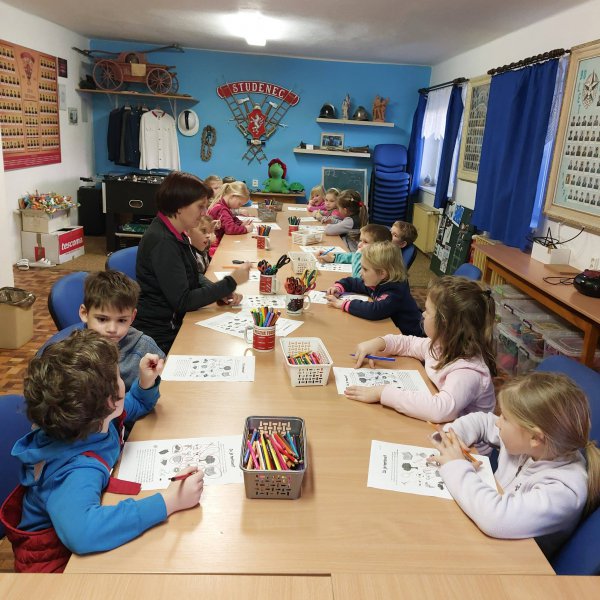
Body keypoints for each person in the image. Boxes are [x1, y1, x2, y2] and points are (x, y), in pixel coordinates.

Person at [0, 329, 205, 573]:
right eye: (119, 376)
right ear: (111, 400)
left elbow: (136, 403)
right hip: (54, 567)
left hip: (79, 523)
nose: (122, 380)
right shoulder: (77, 470)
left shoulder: (92, 419)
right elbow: (84, 533)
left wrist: (145, 382)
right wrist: (170, 501)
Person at [431, 372, 600, 559]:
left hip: (511, 560)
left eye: (504, 418)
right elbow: (483, 422)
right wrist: (454, 436)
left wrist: (456, 465)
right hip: (481, 528)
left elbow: (495, 518)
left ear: (535, 437)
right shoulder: (533, 445)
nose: (498, 422)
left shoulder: (563, 491)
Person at [346, 276, 496, 423]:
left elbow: (439, 410)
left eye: (428, 311)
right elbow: (410, 344)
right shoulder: (441, 344)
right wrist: (380, 343)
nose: (423, 314)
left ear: (444, 323)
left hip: (464, 438)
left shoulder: (467, 372)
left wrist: (383, 392)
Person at [133, 171, 251, 354]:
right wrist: (231, 282)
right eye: (200, 207)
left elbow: (192, 274)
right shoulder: (163, 242)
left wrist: (219, 291)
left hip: (174, 321)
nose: (204, 213)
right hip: (162, 334)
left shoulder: (176, 231)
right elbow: (183, 301)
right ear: (179, 206)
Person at [79, 270, 165, 390]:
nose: (112, 329)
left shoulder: (144, 347)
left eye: (121, 320)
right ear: (84, 313)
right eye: (102, 319)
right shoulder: (73, 353)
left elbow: (164, 380)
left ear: (132, 317)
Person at [326, 241, 423, 336]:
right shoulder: (379, 281)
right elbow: (354, 283)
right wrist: (339, 287)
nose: (360, 272)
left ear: (382, 273)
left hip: (412, 335)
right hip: (393, 330)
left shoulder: (395, 291)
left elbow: (375, 310)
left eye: (365, 269)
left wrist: (343, 304)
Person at [317, 223, 391, 277]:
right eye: (360, 240)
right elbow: (351, 256)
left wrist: (358, 255)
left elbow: (357, 277)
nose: (359, 244)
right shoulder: (368, 255)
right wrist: (333, 258)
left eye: (365, 242)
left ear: (379, 246)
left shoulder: (378, 264)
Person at [208, 180, 253, 248]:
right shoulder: (222, 209)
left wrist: (240, 224)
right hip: (214, 245)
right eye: (239, 204)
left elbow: (232, 219)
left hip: (219, 241)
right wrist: (246, 229)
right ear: (233, 196)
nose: (239, 207)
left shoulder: (223, 206)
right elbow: (230, 229)